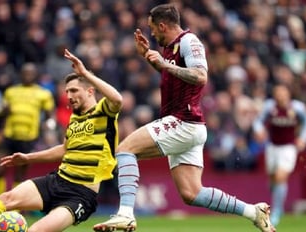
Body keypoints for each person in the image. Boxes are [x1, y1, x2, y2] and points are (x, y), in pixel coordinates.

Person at [93, 4, 275, 232]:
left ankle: (126, 214)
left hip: (184, 121)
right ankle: (253, 212)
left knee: (125, 149)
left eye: (153, 29)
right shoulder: (170, 49)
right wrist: (152, 60)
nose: (152, 34)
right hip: (186, 125)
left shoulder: (189, 41)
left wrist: (163, 64)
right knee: (192, 193)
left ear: (162, 25)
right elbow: (173, 75)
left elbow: (200, 77)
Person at [0, 49, 123, 232]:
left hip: (81, 194)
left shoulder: (103, 112)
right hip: (58, 180)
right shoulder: (74, 119)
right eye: (67, 92)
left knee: (35, 230)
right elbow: (65, 149)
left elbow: (117, 99)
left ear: (90, 91)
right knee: (8, 198)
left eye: (74, 91)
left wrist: (86, 74)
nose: (68, 96)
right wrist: (28, 158)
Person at [252, 84, 306, 227]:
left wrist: (303, 138)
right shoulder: (269, 107)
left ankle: (277, 211)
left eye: (282, 92)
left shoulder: (297, 108)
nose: (279, 95)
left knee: (280, 176)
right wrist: (259, 130)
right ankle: (277, 201)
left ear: (288, 94)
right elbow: (258, 121)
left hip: (288, 148)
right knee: (273, 179)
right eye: (277, 92)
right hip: (272, 147)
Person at [0, 62, 55, 197]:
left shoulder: (43, 93)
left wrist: (49, 126)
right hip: (9, 136)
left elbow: (50, 115)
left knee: (19, 175)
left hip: (28, 138)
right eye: (25, 73)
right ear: (20, 75)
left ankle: (15, 207)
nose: (27, 76)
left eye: (30, 73)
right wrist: (2, 110)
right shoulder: (11, 91)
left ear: (35, 75)